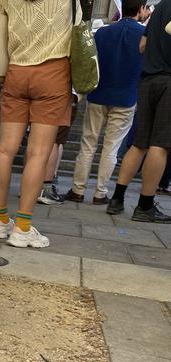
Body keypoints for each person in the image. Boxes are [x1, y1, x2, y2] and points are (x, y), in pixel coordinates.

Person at [0, 0, 81, 248]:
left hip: (16, 72)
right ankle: (23, 227)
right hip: (54, 72)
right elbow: (79, 33)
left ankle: (0, 221)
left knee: (5, 150)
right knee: (39, 153)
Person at [64, 0, 146, 205]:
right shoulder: (144, 35)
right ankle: (100, 193)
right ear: (141, 9)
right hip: (126, 97)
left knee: (88, 143)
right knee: (111, 147)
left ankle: (78, 189)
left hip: (99, 93)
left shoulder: (102, 32)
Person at [107, 0, 171, 223]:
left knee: (139, 142)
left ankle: (117, 198)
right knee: (160, 144)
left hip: (148, 80)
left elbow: (142, 45)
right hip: (169, 81)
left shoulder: (162, 6)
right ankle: (145, 205)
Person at [37, 94, 79, 205]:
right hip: (62, 95)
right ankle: (46, 190)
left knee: (35, 140)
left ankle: (29, 187)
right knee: (55, 140)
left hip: (38, 94)